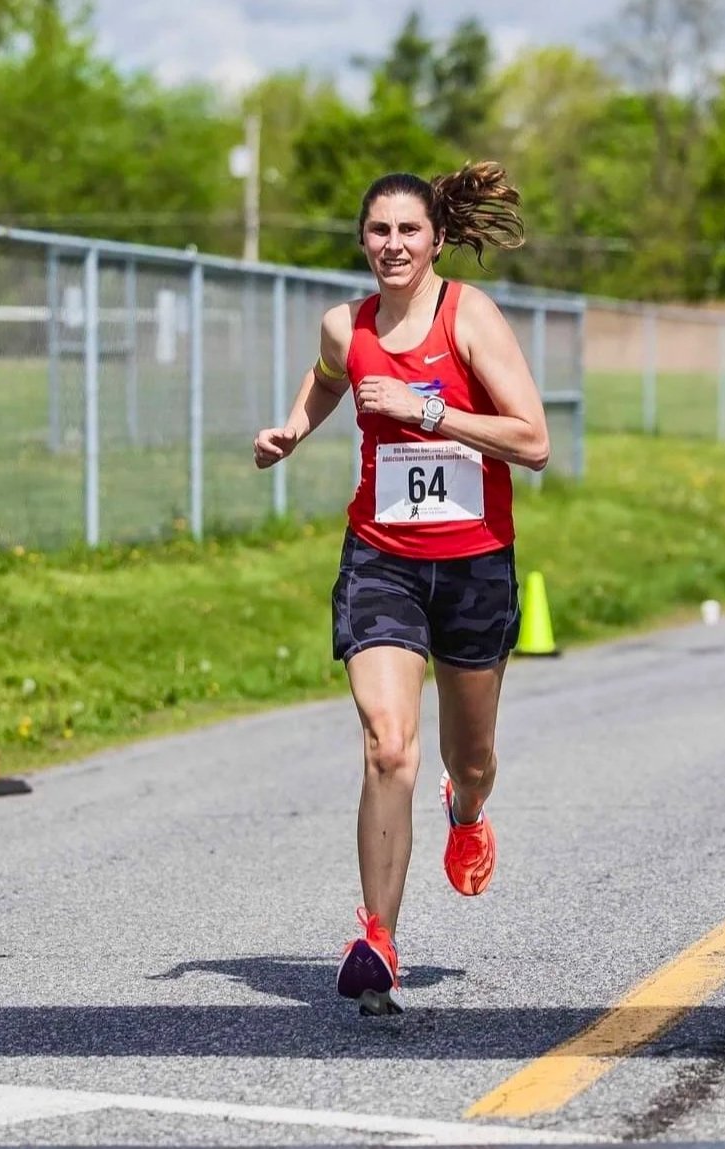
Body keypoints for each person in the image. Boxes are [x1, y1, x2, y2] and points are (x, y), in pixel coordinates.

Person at [252, 161, 549, 1016]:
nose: (392, 245)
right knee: (388, 744)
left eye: (408, 231)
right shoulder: (345, 325)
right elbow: (328, 375)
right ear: (361, 240)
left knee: (471, 755)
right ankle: (377, 938)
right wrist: (293, 430)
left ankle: (470, 811)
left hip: (473, 563)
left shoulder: (469, 317)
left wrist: (427, 412)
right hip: (379, 557)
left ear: (437, 240)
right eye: (378, 230)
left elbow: (531, 441)